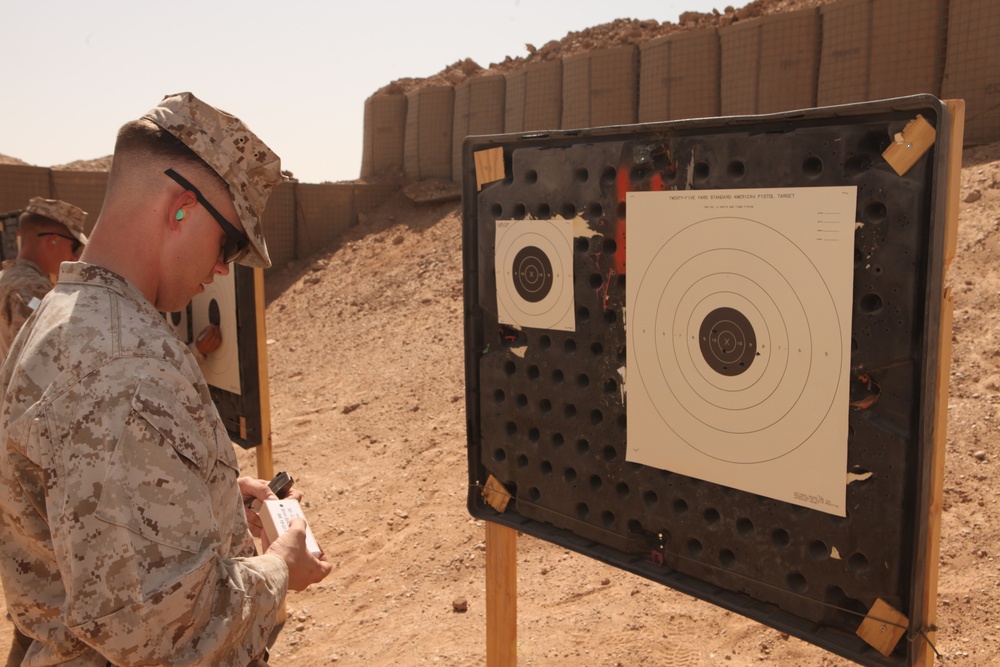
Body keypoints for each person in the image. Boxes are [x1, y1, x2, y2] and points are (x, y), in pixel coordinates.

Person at [0, 92, 331, 666]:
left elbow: (85, 504)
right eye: (228, 242)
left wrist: (217, 493)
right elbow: (162, 632)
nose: (224, 267)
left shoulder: (68, 314)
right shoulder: (122, 366)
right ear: (181, 207)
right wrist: (281, 567)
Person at [0, 197, 87, 359]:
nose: (74, 256)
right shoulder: (31, 287)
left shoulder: (9, 277)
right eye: (74, 247)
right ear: (52, 241)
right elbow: (36, 357)